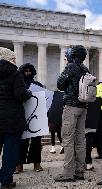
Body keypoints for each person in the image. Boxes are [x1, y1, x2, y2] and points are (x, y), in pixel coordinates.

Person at [54, 45, 89, 182]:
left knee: (67, 139)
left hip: (71, 106)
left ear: (73, 55)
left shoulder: (71, 67)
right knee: (80, 140)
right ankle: (80, 171)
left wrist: (67, 66)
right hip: (83, 107)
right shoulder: (85, 69)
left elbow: (60, 84)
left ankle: (68, 172)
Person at [0, 47, 32, 188]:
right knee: (10, 151)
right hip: (12, 119)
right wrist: (28, 93)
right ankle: (6, 180)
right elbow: (20, 94)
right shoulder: (15, 73)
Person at [15, 63, 44, 173]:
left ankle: (36, 163)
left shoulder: (38, 85)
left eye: (29, 71)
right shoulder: (18, 84)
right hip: (22, 116)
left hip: (36, 116)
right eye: (25, 71)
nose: (28, 73)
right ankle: (19, 164)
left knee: (36, 141)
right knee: (22, 141)